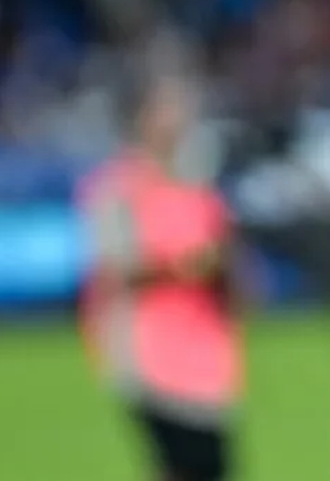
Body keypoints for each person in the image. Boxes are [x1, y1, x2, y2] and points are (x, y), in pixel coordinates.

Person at [77, 71, 240, 481]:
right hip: (148, 346)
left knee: (210, 464)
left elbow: (226, 254)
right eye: (167, 109)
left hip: (204, 346)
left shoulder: (197, 185)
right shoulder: (119, 188)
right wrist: (181, 265)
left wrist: (223, 268)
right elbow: (116, 266)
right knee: (180, 459)